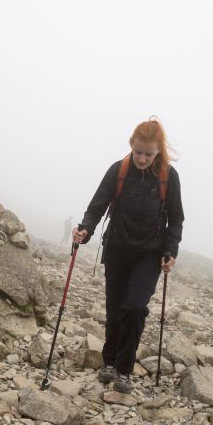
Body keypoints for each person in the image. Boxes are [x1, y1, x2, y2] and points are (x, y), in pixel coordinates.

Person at [72, 118, 184, 393]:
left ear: (159, 151)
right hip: (118, 249)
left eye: (149, 154)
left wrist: (171, 250)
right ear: (131, 145)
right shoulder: (118, 170)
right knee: (115, 309)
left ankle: (124, 369)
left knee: (134, 307)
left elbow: (176, 220)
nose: (143, 159)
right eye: (138, 152)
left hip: (149, 254)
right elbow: (96, 206)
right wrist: (85, 229)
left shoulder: (168, 177)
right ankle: (108, 362)